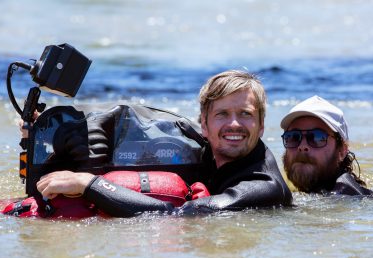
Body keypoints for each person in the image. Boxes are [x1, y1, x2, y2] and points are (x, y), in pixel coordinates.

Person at [35, 70, 292, 217]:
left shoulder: (263, 188)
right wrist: (47, 135)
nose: (234, 124)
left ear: (261, 125)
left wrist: (87, 184)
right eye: (222, 114)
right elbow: (134, 134)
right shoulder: (205, 148)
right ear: (204, 125)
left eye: (245, 114)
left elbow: (176, 215)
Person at [280, 95, 373, 195]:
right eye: (293, 137)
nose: (302, 146)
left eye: (317, 137)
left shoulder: (344, 197)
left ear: (342, 151)